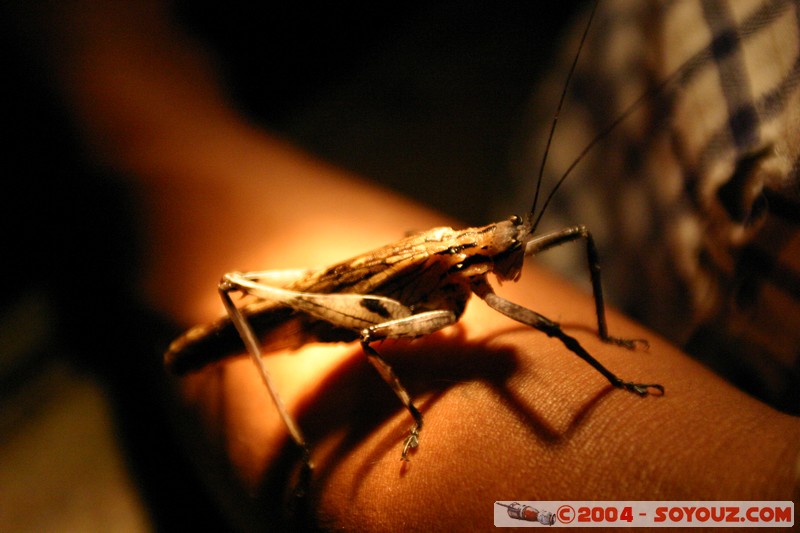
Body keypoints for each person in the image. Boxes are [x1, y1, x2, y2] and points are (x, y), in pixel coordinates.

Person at [7, 0, 798, 529]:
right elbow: (379, 334)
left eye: (508, 251)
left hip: (395, 290)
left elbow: (571, 257)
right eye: (501, 252)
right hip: (334, 305)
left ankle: (148, 122)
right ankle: (147, 132)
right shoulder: (452, 278)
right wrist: (415, 413)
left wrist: (609, 359)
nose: (510, 263)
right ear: (480, 250)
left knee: (566, 264)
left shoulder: (491, 264)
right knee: (309, 311)